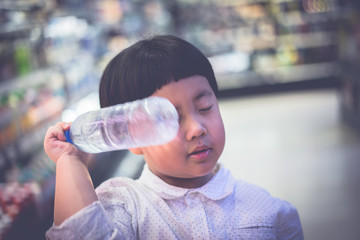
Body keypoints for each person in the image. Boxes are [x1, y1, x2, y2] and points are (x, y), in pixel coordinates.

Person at [44, 35, 304, 239]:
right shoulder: (121, 205)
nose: (197, 128)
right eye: (171, 118)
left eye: (205, 108)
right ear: (130, 139)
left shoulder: (270, 214)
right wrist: (70, 161)